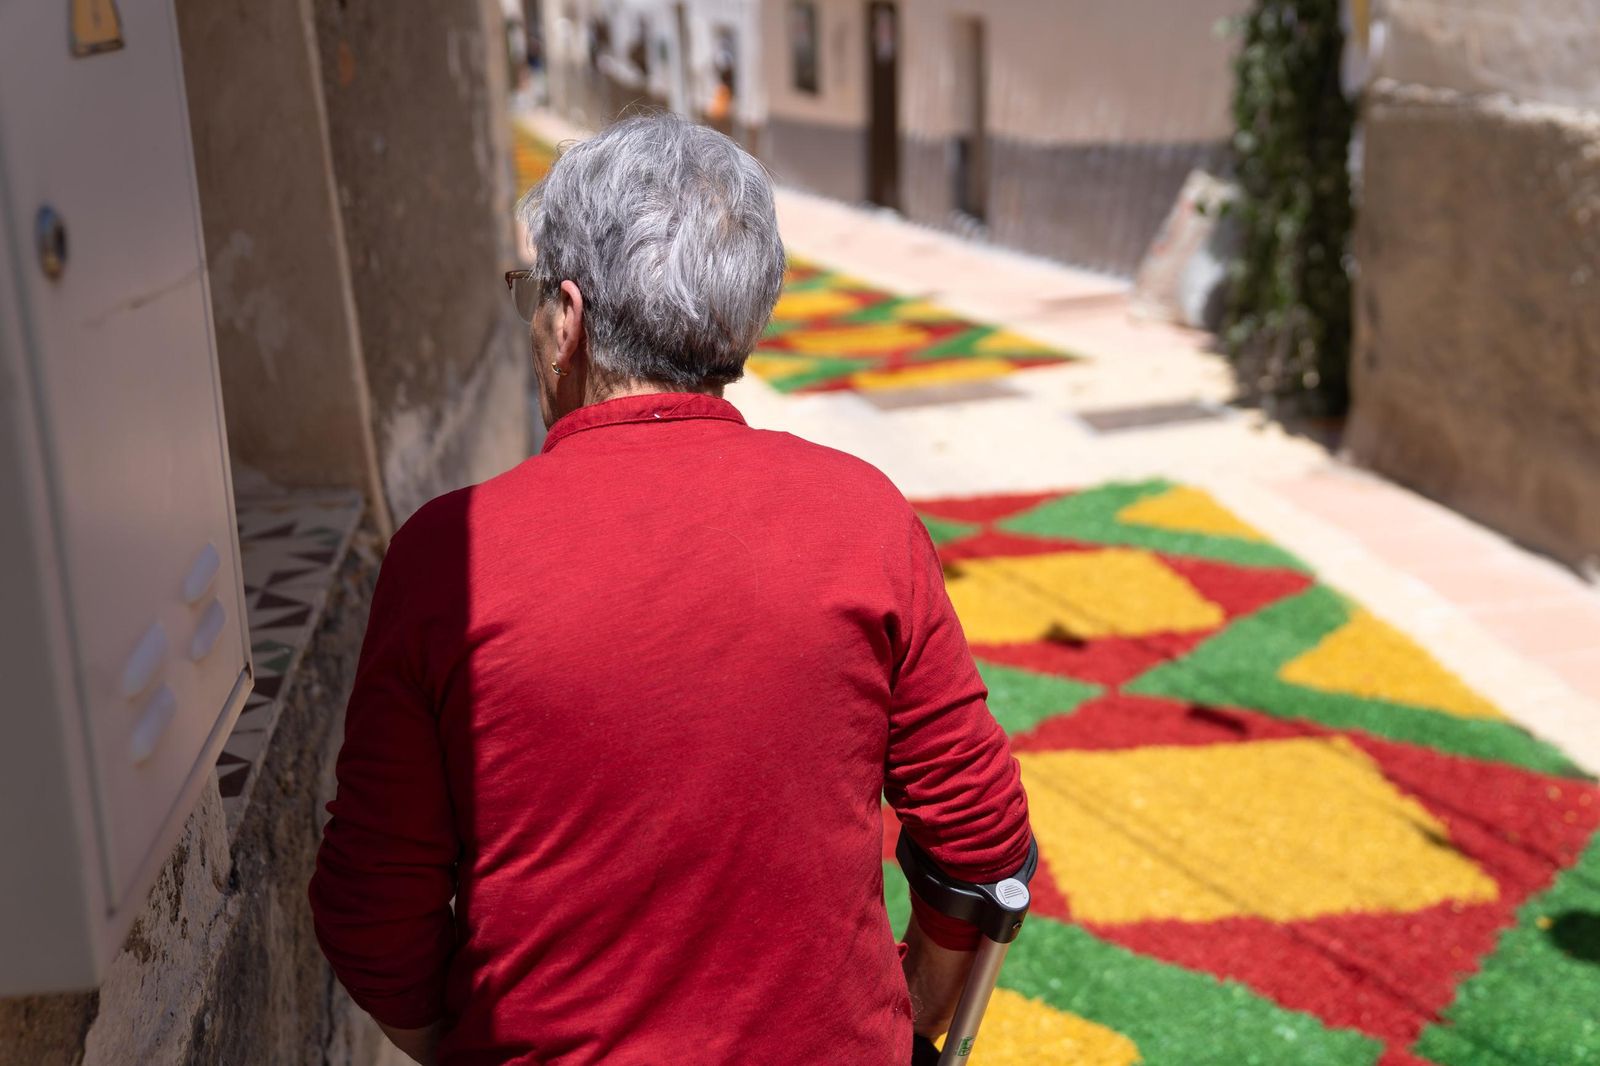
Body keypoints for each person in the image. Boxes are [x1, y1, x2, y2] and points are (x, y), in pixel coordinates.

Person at [309, 113, 1031, 1066]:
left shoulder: (449, 558)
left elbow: (371, 909)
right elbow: (982, 844)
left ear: (567, 320)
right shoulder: (864, 518)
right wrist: (913, 1014)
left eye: (531, 298)